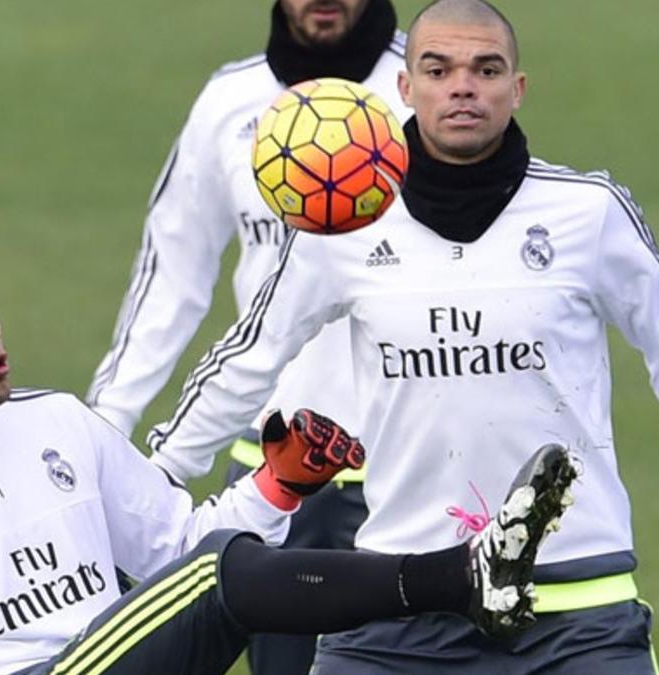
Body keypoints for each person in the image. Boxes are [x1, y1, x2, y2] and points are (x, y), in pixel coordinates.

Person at [144, 1, 659, 672]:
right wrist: (152, 489)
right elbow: (243, 360)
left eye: (486, 68)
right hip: (401, 610)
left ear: (517, 89)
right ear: (405, 89)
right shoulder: (346, 230)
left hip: (576, 611)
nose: (463, 85)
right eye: (439, 70)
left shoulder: (588, 213)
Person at [0, 238, 578, 675]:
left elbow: (176, 553)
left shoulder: (60, 425)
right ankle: (460, 577)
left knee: (221, 565)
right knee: (223, 574)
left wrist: (277, 484)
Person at [86, 1, 409, 671]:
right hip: (277, 463)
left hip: (412, 464)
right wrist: (104, 434)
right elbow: (169, 279)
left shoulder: (428, 91)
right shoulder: (227, 103)